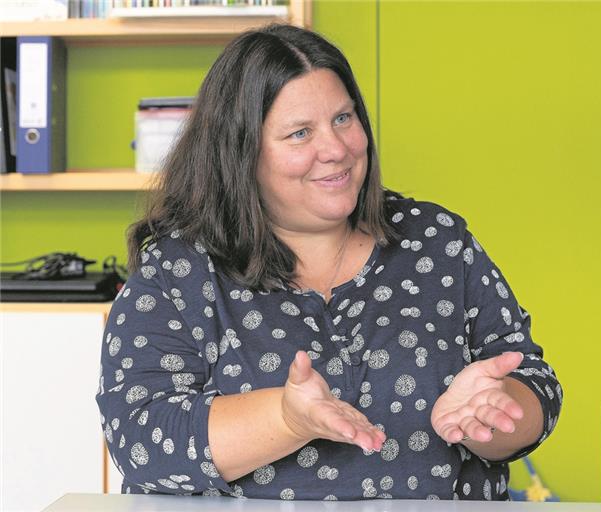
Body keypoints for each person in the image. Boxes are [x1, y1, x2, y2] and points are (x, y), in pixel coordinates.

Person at [95, 24, 562, 501]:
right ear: (240, 152)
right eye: (300, 133)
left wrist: (495, 413)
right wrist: (286, 419)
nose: (337, 149)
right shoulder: (177, 271)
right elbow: (139, 441)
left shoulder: (437, 240)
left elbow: (534, 384)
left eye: (343, 118)